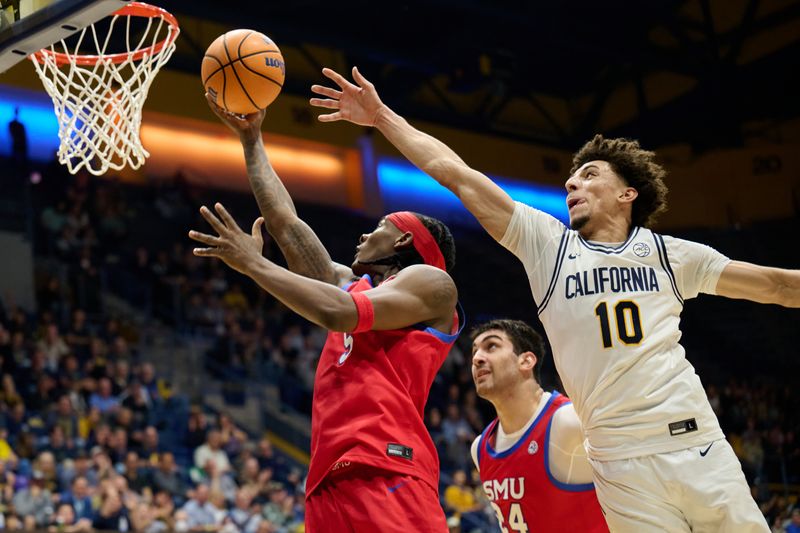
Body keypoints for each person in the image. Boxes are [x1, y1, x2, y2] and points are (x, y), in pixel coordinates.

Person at [310, 67, 800, 531]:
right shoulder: (549, 245)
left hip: (690, 438)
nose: (572, 183)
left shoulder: (673, 255)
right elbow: (453, 172)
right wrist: (380, 117)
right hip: (615, 463)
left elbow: (776, 285)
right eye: (571, 177)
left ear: (628, 193)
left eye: (589, 174)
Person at [189, 96, 463, 532]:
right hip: (328, 477)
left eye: (380, 227)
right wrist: (252, 140)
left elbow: (340, 314)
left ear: (403, 242)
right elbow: (285, 224)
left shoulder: (433, 286)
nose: (364, 232)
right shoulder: (358, 287)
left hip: (386, 466)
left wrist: (256, 265)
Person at [469, 319, 607, 532]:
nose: (477, 358)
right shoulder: (480, 448)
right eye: (474, 351)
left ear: (526, 361)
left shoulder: (570, 421)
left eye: (491, 346)